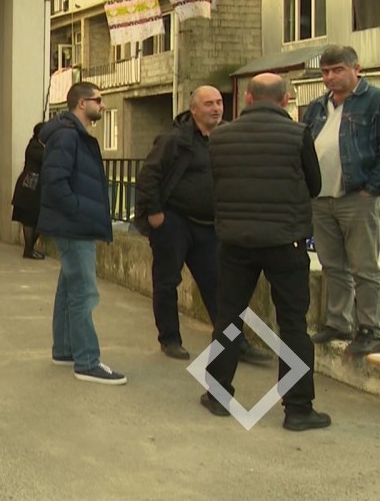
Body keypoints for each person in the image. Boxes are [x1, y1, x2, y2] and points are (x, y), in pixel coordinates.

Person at [202, 74, 329, 431]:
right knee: (293, 324)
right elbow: (314, 185)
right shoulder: (298, 134)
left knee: (229, 316)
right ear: (286, 99)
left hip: (236, 242)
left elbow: (215, 184)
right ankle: (298, 408)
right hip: (285, 242)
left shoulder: (220, 136)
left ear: (247, 98)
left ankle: (218, 395)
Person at [135, 86, 270, 364]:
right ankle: (170, 339)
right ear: (194, 109)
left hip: (209, 225)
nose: (216, 108)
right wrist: (155, 213)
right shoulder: (174, 140)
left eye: (219, 102)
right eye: (209, 104)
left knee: (220, 285)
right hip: (174, 222)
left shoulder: (227, 137)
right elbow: (149, 176)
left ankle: (234, 343)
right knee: (167, 282)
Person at [39, 81, 125, 385]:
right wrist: (78, 211)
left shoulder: (73, 134)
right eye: (98, 100)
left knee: (69, 289)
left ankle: (64, 350)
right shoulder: (67, 135)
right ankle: (87, 361)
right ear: (81, 103)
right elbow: (55, 181)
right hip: (74, 227)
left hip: (73, 225)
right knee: (84, 293)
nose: (102, 105)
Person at [300, 46, 380, 355]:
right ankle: (338, 322)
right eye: (325, 72)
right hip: (321, 198)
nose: (330, 77)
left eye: (337, 70)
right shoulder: (317, 107)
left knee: (364, 266)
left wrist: (371, 188)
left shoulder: (373, 101)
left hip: (356, 196)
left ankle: (371, 327)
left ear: (356, 69)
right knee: (333, 265)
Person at [11, 122, 46, 259]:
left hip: (35, 188)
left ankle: (29, 249)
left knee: (38, 220)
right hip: (29, 189)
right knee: (30, 218)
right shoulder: (34, 147)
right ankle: (28, 250)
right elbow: (45, 158)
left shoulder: (39, 146)